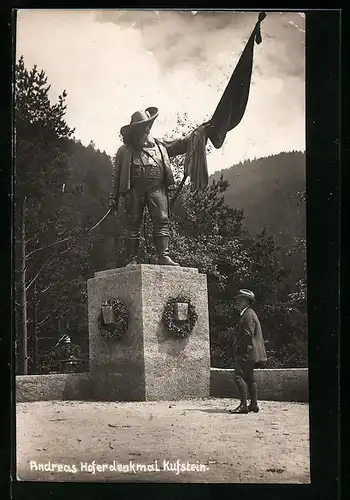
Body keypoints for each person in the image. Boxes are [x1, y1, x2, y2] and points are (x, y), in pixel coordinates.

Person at [109, 106, 209, 267]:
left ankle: (164, 256)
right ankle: (132, 259)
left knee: (162, 219)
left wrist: (199, 133)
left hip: (157, 188)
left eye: (146, 126)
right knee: (133, 222)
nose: (144, 130)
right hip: (134, 189)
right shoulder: (124, 151)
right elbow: (116, 174)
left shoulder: (160, 145)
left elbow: (182, 144)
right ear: (134, 131)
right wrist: (113, 197)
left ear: (149, 127)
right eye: (140, 128)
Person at [230, 289, 267, 414]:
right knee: (249, 378)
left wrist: (238, 348)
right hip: (251, 352)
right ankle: (254, 405)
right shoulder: (249, 314)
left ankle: (243, 406)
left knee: (238, 377)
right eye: (237, 299)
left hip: (246, 352)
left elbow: (247, 335)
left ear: (248, 301)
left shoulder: (248, 315)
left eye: (241, 299)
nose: (237, 302)